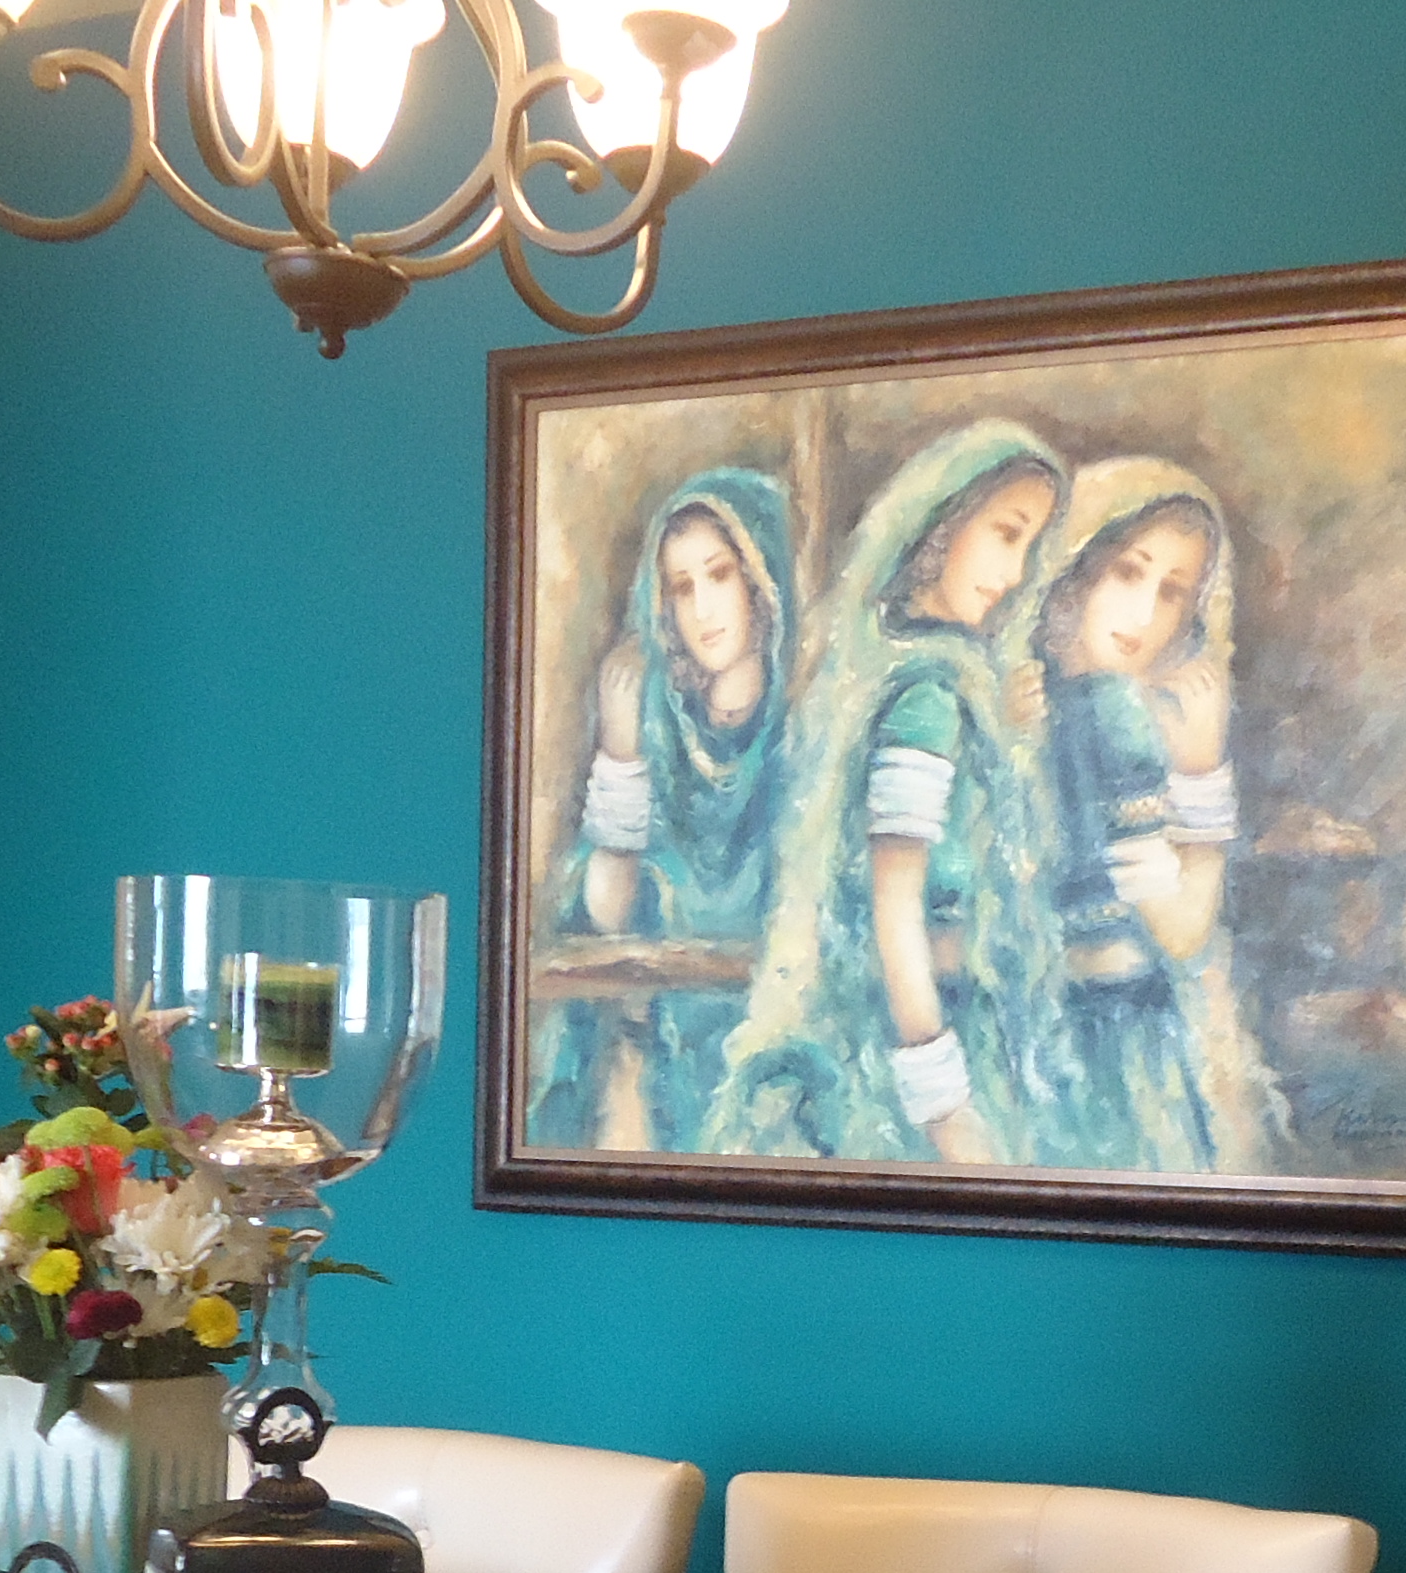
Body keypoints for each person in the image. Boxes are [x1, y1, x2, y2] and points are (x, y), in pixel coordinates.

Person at [707, 423, 1066, 1163]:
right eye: (1005, 534)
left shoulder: (923, 671)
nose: (1014, 571)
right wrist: (942, 1101)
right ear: (941, 527)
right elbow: (894, 904)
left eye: (1028, 546)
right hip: (907, 1049)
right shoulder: (926, 696)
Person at [1006, 456, 1282, 1173]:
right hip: (1110, 1052)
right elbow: (1184, 931)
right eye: (1127, 573)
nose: (1143, 614)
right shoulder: (1117, 720)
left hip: (1043, 1051)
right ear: (1074, 573)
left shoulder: (1042, 706)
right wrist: (1202, 776)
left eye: (1172, 593)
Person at [526, 467, 799, 1151]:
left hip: (772, 1046)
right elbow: (606, 916)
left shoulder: (804, 723)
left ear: (760, 582)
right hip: (660, 1047)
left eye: (719, 575)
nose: (703, 607)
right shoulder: (655, 720)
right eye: (682, 587)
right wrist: (620, 758)